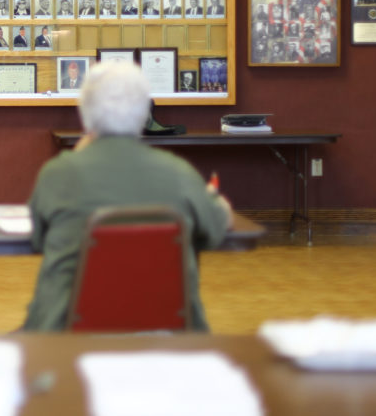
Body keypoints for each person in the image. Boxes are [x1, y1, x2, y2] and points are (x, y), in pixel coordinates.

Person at [23, 62, 232, 332]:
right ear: (144, 112)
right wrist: (218, 203)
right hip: (166, 339)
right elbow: (216, 228)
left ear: (84, 113)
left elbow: (39, 240)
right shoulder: (180, 174)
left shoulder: (57, 174)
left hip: (66, 339)